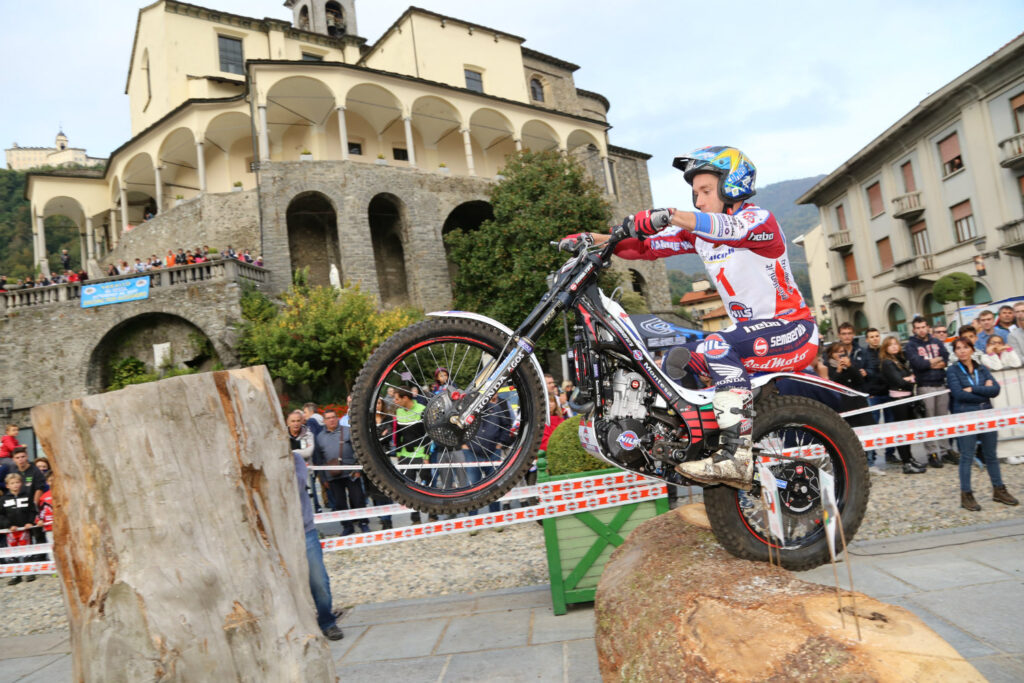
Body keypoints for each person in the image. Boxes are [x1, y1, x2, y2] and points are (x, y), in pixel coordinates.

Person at [576, 146, 817, 488]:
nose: (699, 201)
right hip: (749, 337)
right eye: (695, 194)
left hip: (793, 330)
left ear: (731, 186)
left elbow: (730, 229)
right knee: (678, 361)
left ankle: (736, 457)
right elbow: (644, 248)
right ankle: (694, 447)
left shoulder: (758, 221)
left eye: (705, 191)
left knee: (717, 345)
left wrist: (669, 215)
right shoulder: (701, 236)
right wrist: (592, 240)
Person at [946, 337, 1019, 511]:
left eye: (965, 347)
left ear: (972, 349)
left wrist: (974, 389)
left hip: (986, 414)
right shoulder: (953, 370)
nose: (962, 351)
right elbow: (958, 394)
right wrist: (984, 391)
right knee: (967, 456)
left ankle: (999, 489)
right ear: (955, 352)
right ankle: (966, 495)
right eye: (958, 348)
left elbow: (996, 389)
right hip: (965, 415)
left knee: (991, 454)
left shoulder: (981, 367)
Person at [291, 448, 344, 640]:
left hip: (305, 530)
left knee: (318, 580)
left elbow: (296, 485)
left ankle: (327, 622)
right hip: (276, 534)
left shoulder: (294, 459)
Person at [905, 316, 956, 468]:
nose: (921, 330)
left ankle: (945, 451)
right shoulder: (911, 345)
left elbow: (945, 357)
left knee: (942, 420)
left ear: (928, 327)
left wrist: (930, 363)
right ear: (914, 329)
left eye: (923, 327)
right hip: (925, 386)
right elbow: (918, 364)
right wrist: (935, 361)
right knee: (928, 420)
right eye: (918, 328)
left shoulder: (936, 341)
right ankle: (932, 453)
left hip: (940, 384)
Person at [879, 336, 927, 474]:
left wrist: (909, 379)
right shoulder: (887, 363)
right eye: (890, 345)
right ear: (885, 348)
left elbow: (910, 377)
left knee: (908, 431)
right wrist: (909, 380)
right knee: (901, 432)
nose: (894, 346)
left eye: (896, 344)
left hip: (907, 397)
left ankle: (910, 458)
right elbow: (899, 381)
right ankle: (906, 462)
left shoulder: (899, 359)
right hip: (899, 400)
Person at [393, 387, 430, 524]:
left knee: (427, 485)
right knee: (409, 488)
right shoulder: (398, 411)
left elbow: (428, 435)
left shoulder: (422, 409)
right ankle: (415, 519)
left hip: (421, 453)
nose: (394, 401)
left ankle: (433, 515)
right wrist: (398, 453)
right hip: (405, 454)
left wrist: (426, 456)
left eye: (397, 399)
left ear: (405, 398)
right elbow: (398, 435)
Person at [1, 472, 38, 585]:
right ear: (7, 485)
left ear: (21, 483)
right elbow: (1, 515)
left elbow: (32, 511)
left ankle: (29, 572)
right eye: (12, 483)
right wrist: (8, 525)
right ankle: (15, 575)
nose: (15, 485)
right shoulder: (3, 499)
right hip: (11, 531)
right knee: (12, 554)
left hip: (24, 529)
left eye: (17, 482)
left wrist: (30, 522)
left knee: (27, 551)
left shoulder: (27, 496)